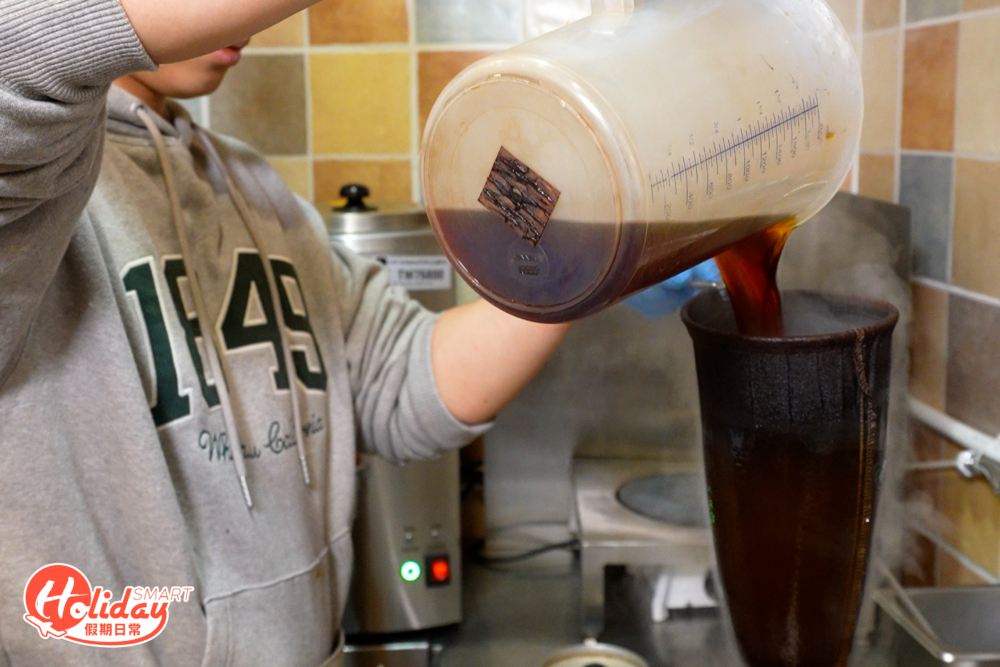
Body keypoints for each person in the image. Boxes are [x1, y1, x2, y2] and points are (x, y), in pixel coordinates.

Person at [0, 2, 710, 665]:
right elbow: (26, 49)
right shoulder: (28, 186)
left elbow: (402, 380)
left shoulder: (253, 190)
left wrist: (579, 262)